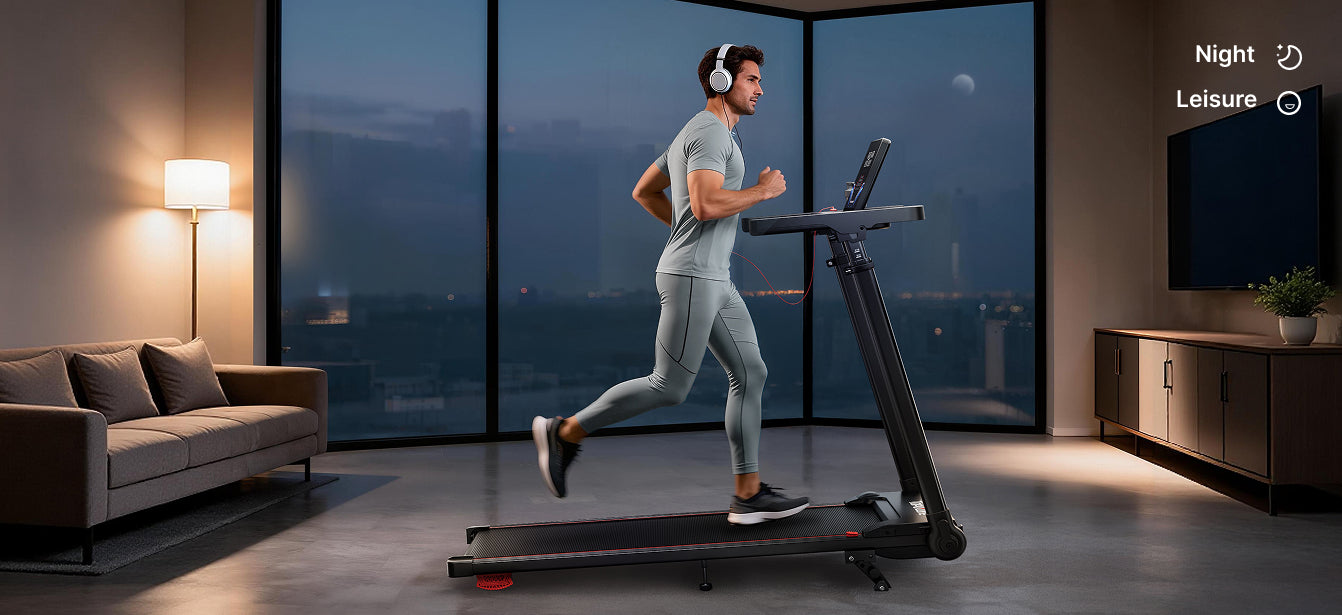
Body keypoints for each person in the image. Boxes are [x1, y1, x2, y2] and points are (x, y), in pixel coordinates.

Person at [532, 44, 808, 525]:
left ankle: (748, 494)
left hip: (714, 277)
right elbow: (702, 206)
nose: (761, 89)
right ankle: (564, 433)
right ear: (721, 82)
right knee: (670, 387)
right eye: (751, 79)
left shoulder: (712, 133)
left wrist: (690, 231)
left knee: (751, 373)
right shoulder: (707, 133)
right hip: (693, 277)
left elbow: (645, 191)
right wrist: (761, 191)